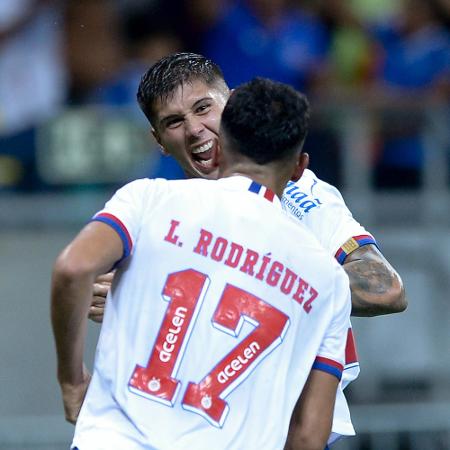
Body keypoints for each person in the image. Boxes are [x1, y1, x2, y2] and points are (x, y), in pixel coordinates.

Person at [89, 52, 407, 447]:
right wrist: (134, 300)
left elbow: (386, 289)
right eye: (173, 122)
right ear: (158, 141)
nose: (194, 129)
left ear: (234, 105)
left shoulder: (301, 192)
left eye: (203, 108)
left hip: (291, 428)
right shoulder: (160, 208)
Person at [52, 77, 351, 450]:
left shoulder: (150, 199)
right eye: (175, 121)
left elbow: (73, 269)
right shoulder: (329, 278)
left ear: (220, 145)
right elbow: (308, 434)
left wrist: (71, 381)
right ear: (298, 167)